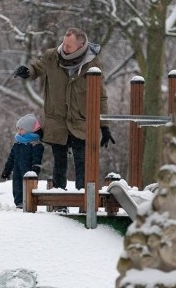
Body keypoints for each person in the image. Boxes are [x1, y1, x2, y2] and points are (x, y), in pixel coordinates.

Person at [13, 28, 113, 202]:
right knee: (59, 163)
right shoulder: (52, 56)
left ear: (81, 45)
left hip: (81, 122)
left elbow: (100, 96)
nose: (64, 48)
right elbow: (37, 67)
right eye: (64, 43)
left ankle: (84, 200)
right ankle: (59, 200)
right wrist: (27, 71)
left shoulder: (93, 64)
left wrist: (104, 126)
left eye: (69, 46)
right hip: (57, 122)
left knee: (82, 163)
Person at [1, 113, 45, 209]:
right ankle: (19, 203)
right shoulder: (17, 143)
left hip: (29, 171)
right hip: (17, 170)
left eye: (21, 129)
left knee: (29, 188)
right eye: (18, 129)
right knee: (17, 186)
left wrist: (35, 169)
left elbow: (37, 159)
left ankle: (29, 203)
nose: (19, 132)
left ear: (29, 129)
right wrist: (7, 170)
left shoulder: (35, 144)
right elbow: (11, 158)